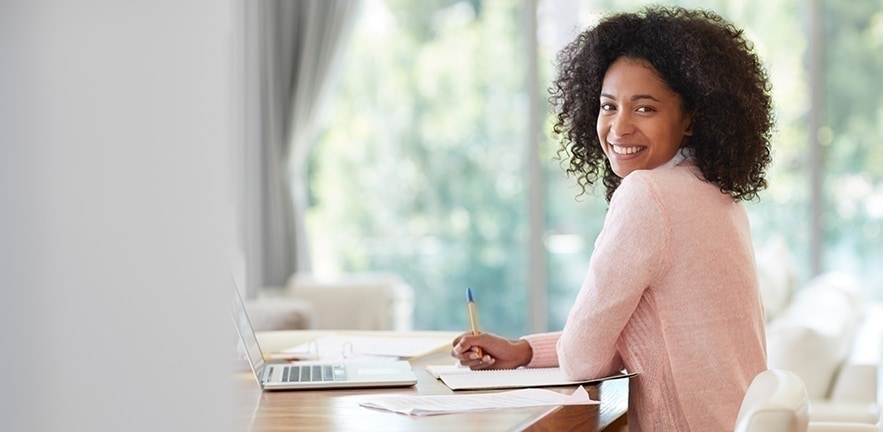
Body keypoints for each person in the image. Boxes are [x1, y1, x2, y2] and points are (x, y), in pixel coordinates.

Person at [451, 6, 774, 431]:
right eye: (608, 106)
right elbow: (651, 335)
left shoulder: (647, 195)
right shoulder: (717, 193)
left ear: (691, 118)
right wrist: (523, 350)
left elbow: (583, 359)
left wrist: (555, 351)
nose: (619, 128)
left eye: (644, 109)